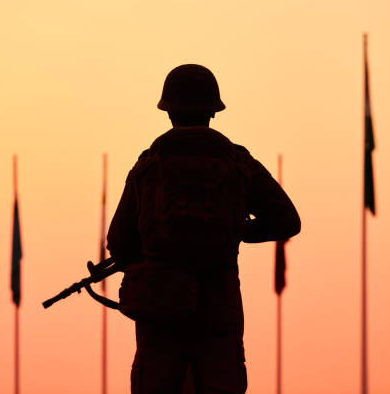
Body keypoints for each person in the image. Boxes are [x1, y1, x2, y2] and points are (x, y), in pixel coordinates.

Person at [107, 64, 301, 394]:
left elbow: (118, 242)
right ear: (214, 110)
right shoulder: (238, 162)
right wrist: (237, 229)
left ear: (169, 112)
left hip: (161, 308)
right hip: (219, 304)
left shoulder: (148, 165)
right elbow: (287, 220)